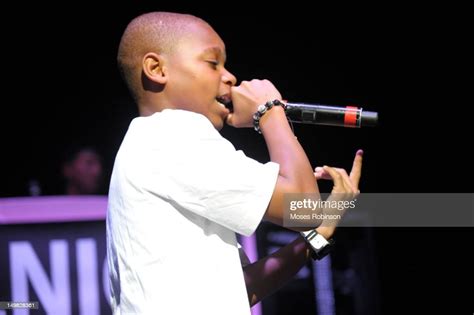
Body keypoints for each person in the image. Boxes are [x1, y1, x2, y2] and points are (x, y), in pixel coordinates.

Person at [106, 11, 363, 314]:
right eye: (212, 63)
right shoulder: (170, 134)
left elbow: (238, 289)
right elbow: (302, 207)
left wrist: (320, 234)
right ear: (156, 68)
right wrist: (269, 110)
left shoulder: (150, 143)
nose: (229, 77)